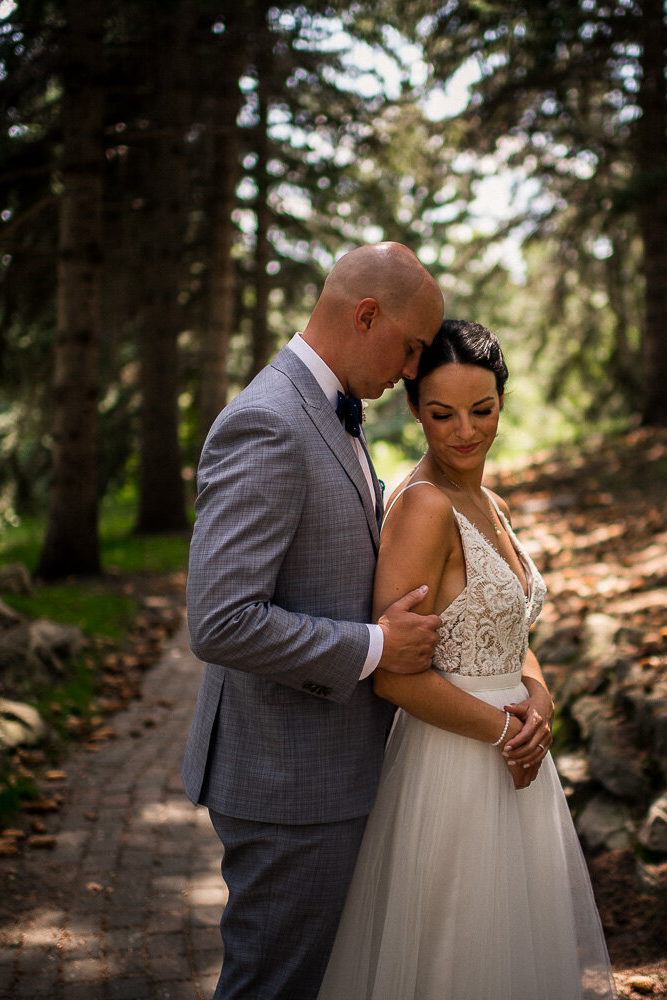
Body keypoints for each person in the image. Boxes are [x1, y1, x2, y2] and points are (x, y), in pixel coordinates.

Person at [181, 245, 551, 1000]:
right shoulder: (268, 419)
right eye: (412, 348)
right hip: (287, 777)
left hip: (339, 771)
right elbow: (219, 619)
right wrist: (376, 645)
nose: (412, 370)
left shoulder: (331, 410)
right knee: (273, 986)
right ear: (366, 315)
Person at [317, 320, 615, 999]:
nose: (463, 431)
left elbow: (512, 635)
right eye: (441, 413)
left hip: (518, 757)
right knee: (457, 956)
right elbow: (393, 674)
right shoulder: (422, 508)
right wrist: (507, 729)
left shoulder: (492, 503)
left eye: (481, 411)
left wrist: (538, 702)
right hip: (454, 767)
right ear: (416, 410)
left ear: (502, 404)